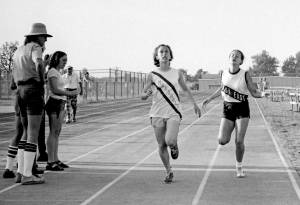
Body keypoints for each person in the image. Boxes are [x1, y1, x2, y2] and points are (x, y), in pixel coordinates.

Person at [201, 49, 268, 178]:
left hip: (242, 108)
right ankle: (231, 128)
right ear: (229, 58)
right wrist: (209, 99)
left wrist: (262, 94)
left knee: (239, 141)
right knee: (222, 140)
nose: (234, 57)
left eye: (237, 56)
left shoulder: (245, 74)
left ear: (241, 61)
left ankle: (239, 167)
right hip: (227, 108)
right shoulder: (223, 73)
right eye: (232, 55)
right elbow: (221, 88)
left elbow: (254, 92)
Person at [141, 44, 201, 183]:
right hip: (156, 113)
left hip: (174, 111)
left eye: (166, 51)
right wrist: (146, 94)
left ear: (170, 55)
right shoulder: (152, 74)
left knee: (169, 140)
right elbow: (143, 94)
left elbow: (185, 90)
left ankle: (174, 145)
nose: (164, 54)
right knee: (162, 145)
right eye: (161, 52)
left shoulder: (177, 73)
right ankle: (169, 171)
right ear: (156, 56)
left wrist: (194, 104)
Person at [12, 22, 52, 185]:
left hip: (20, 90)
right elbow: (39, 63)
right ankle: (28, 174)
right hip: (33, 89)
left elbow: (14, 74)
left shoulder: (18, 51)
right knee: (33, 133)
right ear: (37, 36)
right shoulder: (36, 47)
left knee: (24, 131)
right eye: (44, 37)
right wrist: (41, 79)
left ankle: (21, 172)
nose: (45, 41)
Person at [45, 51, 77, 171]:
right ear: (57, 59)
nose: (65, 63)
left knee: (57, 132)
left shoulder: (58, 72)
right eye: (63, 60)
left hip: (60, 103)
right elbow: (54, 89)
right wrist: (70, 93)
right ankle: (50, 161)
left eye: (66, 60)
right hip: (54, 103)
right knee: (53, 132)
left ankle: (55, 159)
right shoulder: (52, 71)